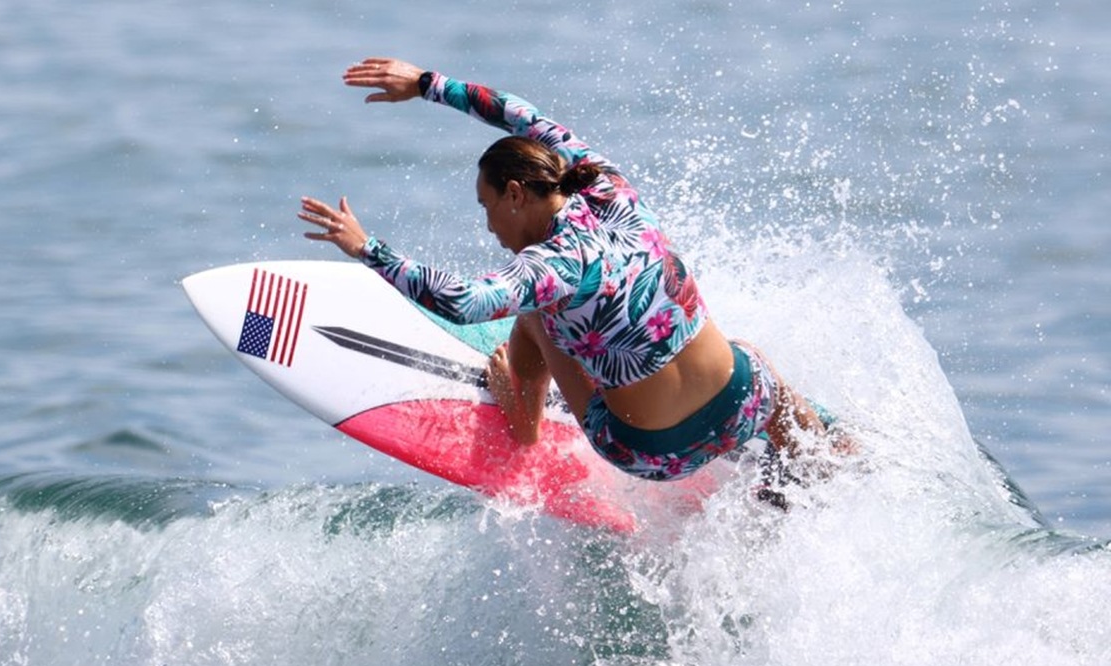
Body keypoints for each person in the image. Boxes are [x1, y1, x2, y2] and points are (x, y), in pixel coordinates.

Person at [299, 57, 829, 485]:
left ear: (515, 195)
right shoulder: (607, 185)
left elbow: (464, 302)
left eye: (486, 206)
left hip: (653, 454)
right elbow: (522, 116)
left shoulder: (551, 267)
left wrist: (367, 248)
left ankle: (521, 418)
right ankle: (825, 458)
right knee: (749, 356)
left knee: (535, 316)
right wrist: (425, 83)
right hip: (744, 405)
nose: (488, 225)